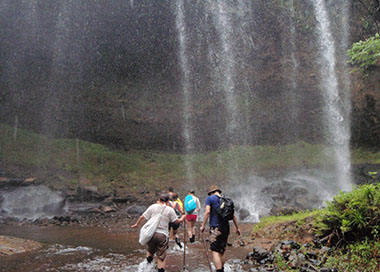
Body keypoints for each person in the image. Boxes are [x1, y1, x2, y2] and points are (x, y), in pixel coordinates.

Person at [131, 194, 186, 272]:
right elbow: (176, 222)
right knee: (161, 257)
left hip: (151, 234)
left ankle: (147, 266)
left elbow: (142, 217)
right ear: (167, 201)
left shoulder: (152, 207)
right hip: (162, 235)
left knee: (150, 251)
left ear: (159, 199)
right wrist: (183, 218)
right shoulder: (170, 210)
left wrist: (137, 224)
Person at [200, 185, 241, 272]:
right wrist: (237, 228)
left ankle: (219, 270)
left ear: (211, 193)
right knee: (222, 250)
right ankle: (222, 269)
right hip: (226, 228)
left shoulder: (210, 199)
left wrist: (203, 225)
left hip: (215, 228)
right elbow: (233, 215)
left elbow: (207, 212)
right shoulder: (226, 200)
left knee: (215, 250)